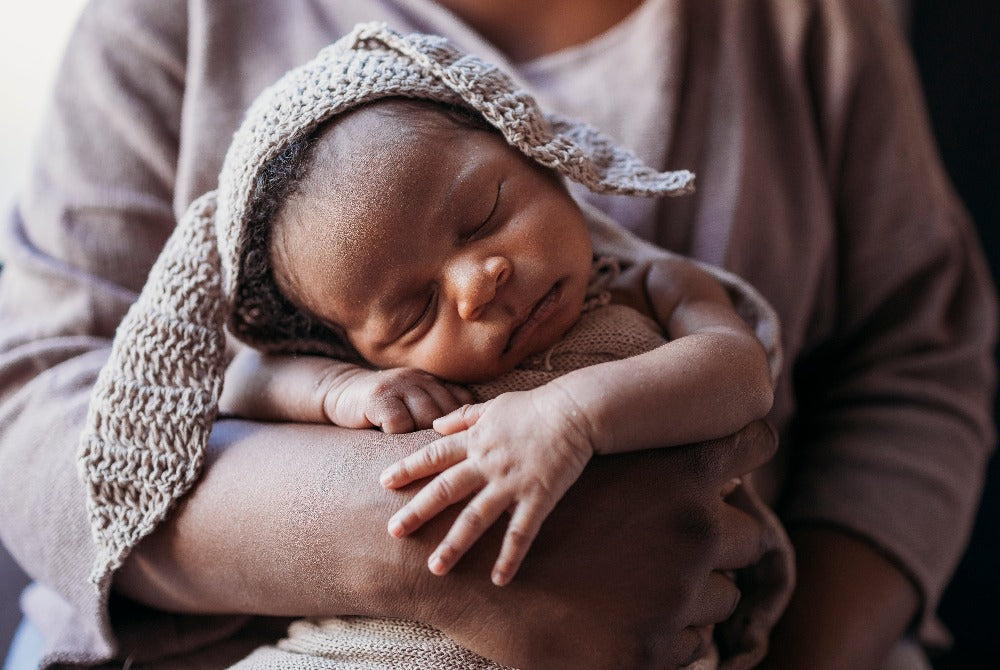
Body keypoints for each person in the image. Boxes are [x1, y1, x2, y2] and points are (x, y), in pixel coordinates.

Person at [0, 1, 994, 669]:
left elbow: (913, 360)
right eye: (415, 315)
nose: (479, 282)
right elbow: (50, 402)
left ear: (544, 157)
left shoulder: (803, 29)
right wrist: (405, 544)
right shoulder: (170, 21)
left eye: (482, 215)